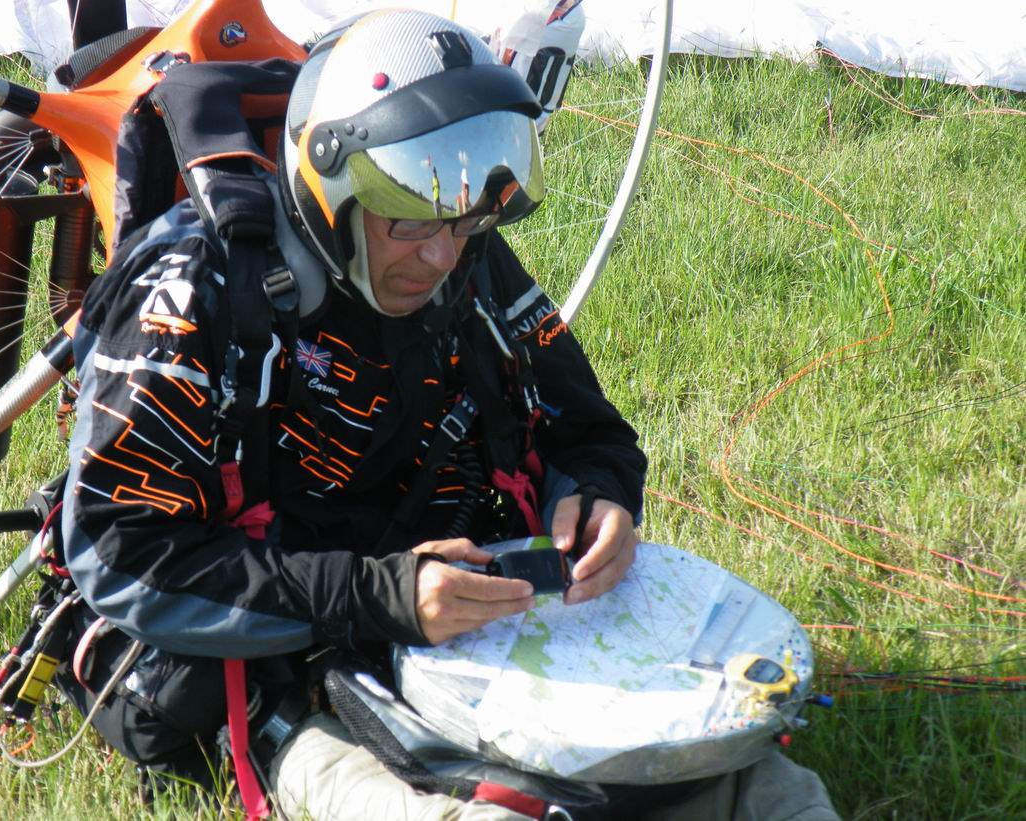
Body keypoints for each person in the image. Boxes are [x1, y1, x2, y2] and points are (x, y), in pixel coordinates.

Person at [60, 8, 838, 820]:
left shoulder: (462, 251)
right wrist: (376, 596)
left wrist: (599, 494)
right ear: (332, 188)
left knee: (771, 792)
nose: (440, 254)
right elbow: (121, 552)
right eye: (407, 217)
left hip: (466, 622)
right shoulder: (192, 292)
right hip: (276, 663)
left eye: (464, 219)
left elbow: (589, 429)